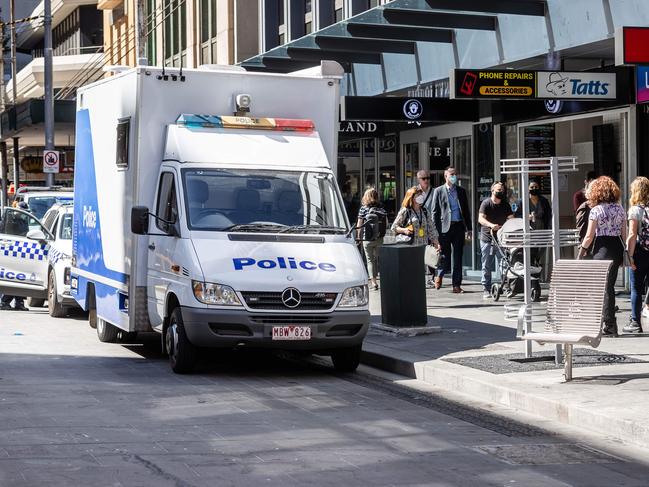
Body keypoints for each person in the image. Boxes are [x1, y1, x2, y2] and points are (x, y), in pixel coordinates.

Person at [578, 176, 626, 337]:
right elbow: (624, 234)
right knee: (609, 286)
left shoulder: (596, 210)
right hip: (616, 248)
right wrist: (627, 255)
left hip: (602, 249)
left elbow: (589, 236)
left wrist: (581, 252)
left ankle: (608, 324)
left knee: (602, 288)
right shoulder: (620, 209)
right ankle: (609, 323)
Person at [431, 166, 472, 293]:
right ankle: (440, 274)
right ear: (446, 176)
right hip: (444, 228)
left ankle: (456, 285)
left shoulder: (461, 191)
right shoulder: (438, 191)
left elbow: (466, 211)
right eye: (451, 174)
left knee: (458, 257)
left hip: (458, 226)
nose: (454, 176)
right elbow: (434, 213)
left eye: (455, 174)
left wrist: (469, 229)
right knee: (445, 256)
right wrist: (435, 233)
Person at [478, 181, 514, 300]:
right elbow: (481, 219)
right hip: (487, 238)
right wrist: (491, 225)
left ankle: (507, 287)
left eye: (502, 190)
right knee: (486, 265)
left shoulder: (505, 204)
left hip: (501, 239)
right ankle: (486, 289)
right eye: (498, 190)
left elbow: (511, 219)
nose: (500, 192)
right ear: (492, 191)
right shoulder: (486, 203)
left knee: (504, 264)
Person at [624, 177, 649, 333]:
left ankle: (635, 322)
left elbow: (632, 234)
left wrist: (630, 256)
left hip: (640, 252)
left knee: (636, 288)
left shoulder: (635, 210)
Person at [514, 179, 551, 266]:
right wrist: (525, 217)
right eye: (532, 187)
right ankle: (531, 272)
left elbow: (549, 215)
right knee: (530, 253)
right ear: (528, 189)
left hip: (541, 231)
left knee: (540, 252)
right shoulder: (522, 201)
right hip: (528, 232)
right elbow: (516, 216)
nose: (534, 189)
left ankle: (537, 271)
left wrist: (549, 229)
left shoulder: (544, 201)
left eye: (536, 187)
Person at [357, 188, 387, 291]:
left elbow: (359, 224)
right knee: (378, 259)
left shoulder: (363, 209)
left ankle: (374, 282)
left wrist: (358, 237)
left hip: (368, 239)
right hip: (379, 238)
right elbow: (386, 223)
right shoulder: (382, 209)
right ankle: (383, 279)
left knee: (370, 261)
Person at [416, 169, 436, 287]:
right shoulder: (415, 192)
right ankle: (420, 275)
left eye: (428, 178)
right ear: (419, 180)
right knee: (420, 251)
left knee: (431, 251)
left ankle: (431, 276)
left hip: (430, 226)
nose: (426, 181)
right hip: (418, 226)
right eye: (424, 178)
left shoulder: (434, 191)